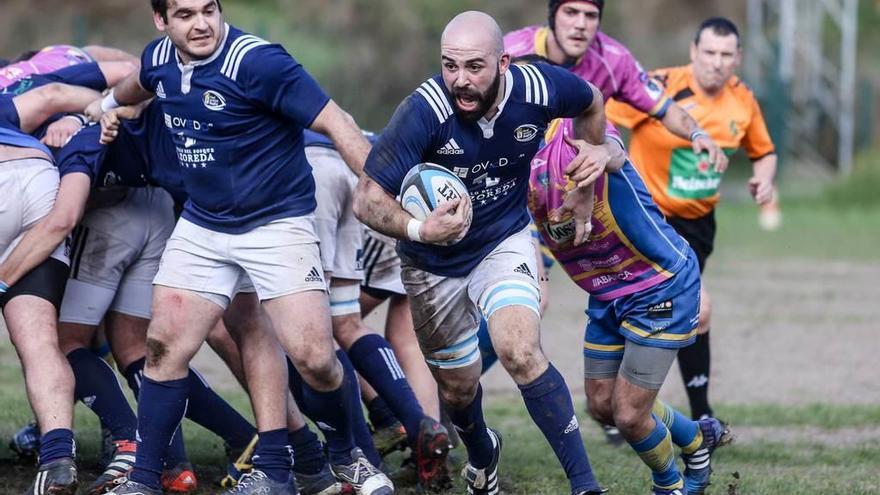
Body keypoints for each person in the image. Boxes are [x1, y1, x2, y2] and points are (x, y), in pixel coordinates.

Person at [86, 1, 390, 493]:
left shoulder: (259, 61)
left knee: (314, 357)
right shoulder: (159, 57)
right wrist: (103, 106)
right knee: (165, 349)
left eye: (210, 9)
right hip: (205, 226)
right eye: (185, 14)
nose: (201, 23)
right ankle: (146, 479)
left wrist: (385, 193)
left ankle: (345, 454)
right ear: (162, 21)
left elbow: (337, 123)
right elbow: (138, 82)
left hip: (277, 223)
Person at [354, 11, 610, 495]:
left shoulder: (538, 88)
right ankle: (481, 453)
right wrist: (419, 228)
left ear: (504, 63)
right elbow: (366, 197)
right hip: (431, 264)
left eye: (475, 67)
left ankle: (585, 485)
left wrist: (583, 185)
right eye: (450, 66)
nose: (461, 81)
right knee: (457, 389)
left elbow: (592, 104)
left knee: (519, 349)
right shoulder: (424, 110)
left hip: (503, 239)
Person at [529, 116, 733, 495]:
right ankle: (695, 440)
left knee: (628, 414)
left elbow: (612, 148)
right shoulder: (508, 154)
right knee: (602, 405)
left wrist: (599, 156)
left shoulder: (572, 129)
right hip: (606, 292)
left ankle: (669, 485)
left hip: (659, 285)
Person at [607, 17, 778, 421]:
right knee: (694, 309)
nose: (716, 63)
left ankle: (621, 406)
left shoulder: (743, 100)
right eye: (709, 53)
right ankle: (700, 415)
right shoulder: (660, 87)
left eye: (725, 55)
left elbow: (764, 151)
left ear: (738, 58)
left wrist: (764, 180)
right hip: (648, 217)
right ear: (693, 52)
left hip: (699, 225)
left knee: (671, 310)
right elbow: (601, 116)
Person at [303, 129, 453, 490]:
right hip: (404, 198)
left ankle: (364, 451)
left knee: (311, 331)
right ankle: (423, 436)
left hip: (366, 198)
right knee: (359, 327)